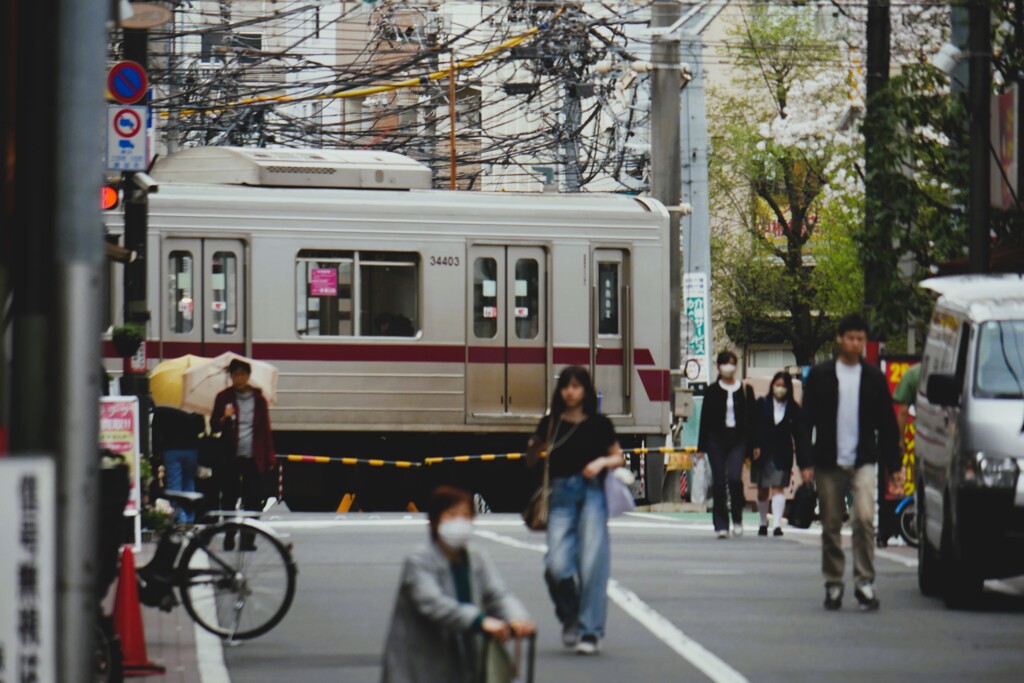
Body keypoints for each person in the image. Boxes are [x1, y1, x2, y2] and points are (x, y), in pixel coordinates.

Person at [800, 313, 903, 611]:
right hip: (827, 461)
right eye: (850, 338)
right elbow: (805, 421)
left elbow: (886, 423)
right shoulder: (820, 376)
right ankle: (833, 584)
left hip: (863, 460)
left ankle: (864, 582)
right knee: (831, 524)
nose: (855, 343)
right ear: (839, 338)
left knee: (865, 519)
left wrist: (894, 467)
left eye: (860, 339)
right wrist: (806, 461)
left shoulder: (872, 377)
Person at [380, 486, 535, 683]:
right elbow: (432, 602)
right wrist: (479, 621)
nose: (458, 522)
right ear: (435, 521)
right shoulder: (419, 561)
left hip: (466, 655)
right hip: (421, 662)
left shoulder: (476, 557)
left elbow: (498, 594)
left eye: (465, 515)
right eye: (451, 515)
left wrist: (517, 617)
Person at [526, 365, 623, 655]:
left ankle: (590, 631)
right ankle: (570, 616)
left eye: (577, 386)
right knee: (556, 566)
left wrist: (600, 463)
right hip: (559, 496)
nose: (570, 391)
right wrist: (533, 448)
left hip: (592, 495)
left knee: (593, 563)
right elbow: (531, 460)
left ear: (586, 390)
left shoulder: (599, 424)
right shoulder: (551, 423)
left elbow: (618, 457)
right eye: (566, 386)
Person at [211, 359, 276, 550]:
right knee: (229, 498)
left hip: (253, 456)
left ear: (248, 376)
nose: (238, 378)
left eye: (242, 374)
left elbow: (266, 429)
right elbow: (214, 426)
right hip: (230, 456)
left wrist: (270, 456)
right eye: (235, 374)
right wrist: (224, 416)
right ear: (231, 376)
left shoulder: (259, 399)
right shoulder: (223, 397)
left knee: (253, 499)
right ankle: (229, 537)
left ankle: (248, 539)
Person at [697, 351, 757, 539]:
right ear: (719, 367)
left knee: (734, 478)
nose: (728, 368)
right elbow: (704, 420)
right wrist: (701, 448)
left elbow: (751, 421)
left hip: (738, 439)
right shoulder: (712, 391)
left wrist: (754, 445)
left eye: (732, 364)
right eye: (725, 364)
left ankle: (737, 518)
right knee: (719, 481)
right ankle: (721, 524)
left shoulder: (746, 390)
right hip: (716, 439)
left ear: (736, 366)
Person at [752, 372, 808, 537]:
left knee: (778, 488)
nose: (780, 389)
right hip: (762, 451)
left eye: (783, 386)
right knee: (762, 490)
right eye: (777, 385)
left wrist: (804, 460)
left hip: (782, 452)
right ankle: (763, 521)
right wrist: (754, 446)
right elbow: (753, 427)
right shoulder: (762, 404)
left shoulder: (793, 408)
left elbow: (799, 434)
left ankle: (776, 524)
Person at [879, 362, 921, 547]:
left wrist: (899, 441)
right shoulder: (967, 367)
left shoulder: (915, 373)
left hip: (927, 440)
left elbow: (902, 410)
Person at [151, 406, 207, 523]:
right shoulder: (191, 404)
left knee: (174, 486)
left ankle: (180, 519)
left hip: (171, 449)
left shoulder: (164, 406)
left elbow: (156, 428)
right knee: (189, 483)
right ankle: (189, 518)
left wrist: (156, 451)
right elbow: (201, 427)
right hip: (191, 448)